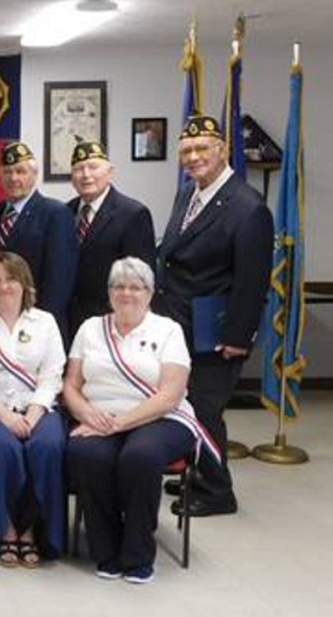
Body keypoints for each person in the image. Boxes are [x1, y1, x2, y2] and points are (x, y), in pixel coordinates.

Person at [65, 257, 216, 584]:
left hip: (159, 418)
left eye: (136, 287)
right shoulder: (90, 328)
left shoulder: (168, 330)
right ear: (109, 293)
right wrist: (85, 412)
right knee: (85, 454)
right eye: (118, 286)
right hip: (100, 415)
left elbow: (170, 395)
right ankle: (105, 549)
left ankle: (137, 554)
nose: (126, 293)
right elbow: (71, 386)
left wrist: (117, 424)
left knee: (140, 456)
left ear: (150, 293)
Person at [154, 115, 273, 517]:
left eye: (202, 148)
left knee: (205, 410)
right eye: (186, 150)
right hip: (179, 323)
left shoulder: (248, 208)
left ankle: (218, 491)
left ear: (222, 149)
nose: (193, 156)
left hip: (215, 332)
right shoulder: (188, 193)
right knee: (184, 405)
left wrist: (238, 336)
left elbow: (252, 280)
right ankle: (198, 474)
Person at [0, 252, 66, 567]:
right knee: (1, 448)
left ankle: (30, 528)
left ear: (25, 282)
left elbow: (52, 374)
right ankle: (7, 528)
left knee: (48, 445)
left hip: (37, 407)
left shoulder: (45, 322)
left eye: (11, 278)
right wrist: (6, 417)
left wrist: (32, 414)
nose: (4, 286)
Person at [66, 139, 156, 340]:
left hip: (112, 322)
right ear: (72, 177)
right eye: (79, 169)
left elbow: (141, 279)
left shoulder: (133, 214)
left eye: (93, 167)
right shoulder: (65, 212)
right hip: (69, 322)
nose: (86, 174)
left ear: (109, 172)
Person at [0, 141, 78, 334]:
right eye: (7, 172)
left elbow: (59, 280)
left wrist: (39, 325)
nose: (13, 178)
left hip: (38, 323)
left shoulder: (56, 213)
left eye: (20, 171)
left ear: (34, 175)